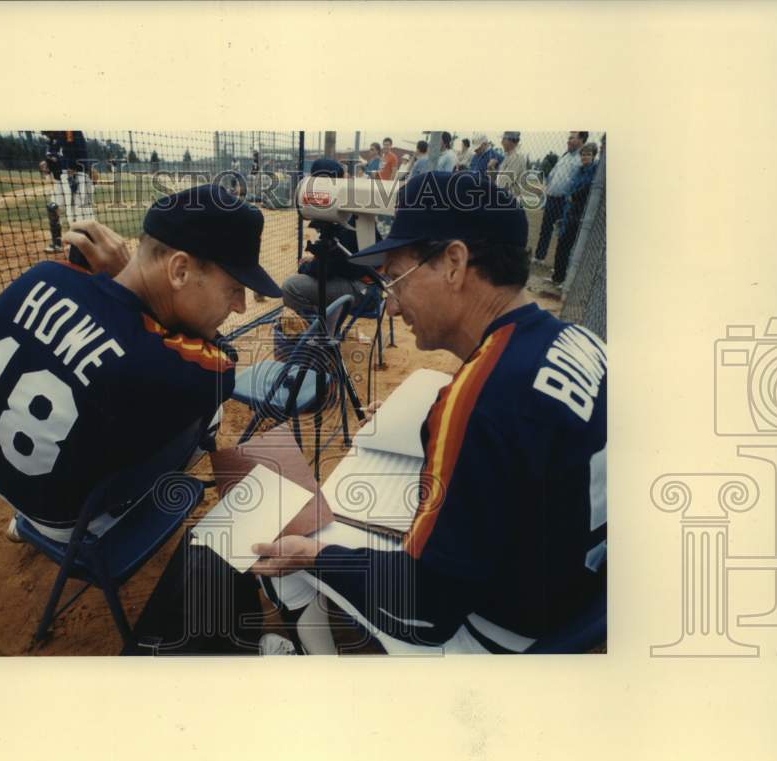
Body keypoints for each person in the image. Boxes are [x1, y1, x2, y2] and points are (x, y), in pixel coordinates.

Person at [252, 171, 607, 652]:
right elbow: (519, 435)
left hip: (502, 638)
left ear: (455, 264)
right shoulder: (579, 339)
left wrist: (316, 556)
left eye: (395, 276)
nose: (391, 307)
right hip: (579, 607)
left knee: (294, 552)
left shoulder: (482, 398)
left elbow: (422, 608)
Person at [0, 185, 283, 544]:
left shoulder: (42, 274)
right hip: (68, 522)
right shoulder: (181, 370)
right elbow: (224, 364)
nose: (240, 306)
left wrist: (126, 278)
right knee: (209, 417)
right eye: (234, 288)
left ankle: (21, 523)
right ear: (179, 271)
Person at [280, 159, 377, 319]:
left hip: (364, 291)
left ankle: (316, 337)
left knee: (291, 287)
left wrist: (307, 267)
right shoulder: (351, 205)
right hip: (363, 283)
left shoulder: (345, 214)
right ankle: (328, 330)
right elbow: (338, 259)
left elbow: (327, 269)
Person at [534, 131, 588, 263]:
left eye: (572, 138)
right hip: (552, 197)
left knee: (563, 233)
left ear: (581, 140)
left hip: (565, 201)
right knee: (545, 228)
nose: (568, 140)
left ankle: (559, 265)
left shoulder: (581, 159)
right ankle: (539, 257)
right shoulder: (565, 156)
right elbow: (553, 174)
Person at [39, 130, 95, 252]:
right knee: (53, 207)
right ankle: (57, 242)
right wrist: (46, 165)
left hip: (76, 173)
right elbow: (55, 159)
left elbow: (78, 152)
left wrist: (72, 168)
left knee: (79, 210)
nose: (45, 134)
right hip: (60, 178)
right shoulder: (52, 141)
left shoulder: (70, 132)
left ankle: (85, 243)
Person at [552, 142, 599, 284]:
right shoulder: (579, 170)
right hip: (569, 211)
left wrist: (574, 196)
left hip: (579, 214)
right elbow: (570, 188)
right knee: (562, 244)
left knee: (568, 246)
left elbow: (586, 190)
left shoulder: (594, 171)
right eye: (583, 154)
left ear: (594, 156)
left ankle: (563, 279)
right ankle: (557, 277)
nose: (585, 157)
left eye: (588, 154)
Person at [489, 131, 528, 197]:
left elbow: (503, 185)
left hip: (509, 201)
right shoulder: (508, 156)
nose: (501, 142)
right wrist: (491, 168)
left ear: (511, 141)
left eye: (504, 139)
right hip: (504, 198)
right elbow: (499, 181)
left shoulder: (516, 158)